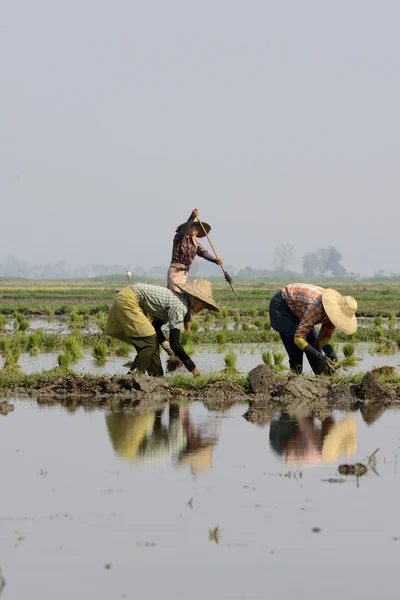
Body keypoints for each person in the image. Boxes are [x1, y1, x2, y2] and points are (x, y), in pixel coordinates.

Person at [105, 278, 219, 377]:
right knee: (149, 343)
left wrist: (166, 347)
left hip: (129, 297)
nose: (203, 308)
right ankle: (131, 378)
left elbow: (156, 327)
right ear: (195, 298)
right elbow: (176, 344)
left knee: (151, 340)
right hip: (129, 299)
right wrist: (193, 369)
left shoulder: (179, 302)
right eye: (203, 304)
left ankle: (157, 377)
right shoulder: (179, 306)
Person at [269, 283, 358, 375]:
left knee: (315, 348)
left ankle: (321, 379)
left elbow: (323, 340)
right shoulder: (317, 309)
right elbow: (298, 339)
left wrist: (331, 355)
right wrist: (319, 357)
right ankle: (295, 379)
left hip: (299, 308)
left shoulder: (334, 317)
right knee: (296, 353)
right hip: (282, 306)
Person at [168, 208, 222, 331]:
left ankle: (188, 331)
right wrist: (191, 217)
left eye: (198, 229)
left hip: (185, 273)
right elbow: (184, 230)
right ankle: (174, 328)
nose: (197, 230)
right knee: (175, 300)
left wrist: (215, 260)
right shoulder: (179, 238)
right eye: (195, 227)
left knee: (186, 301)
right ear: (190, 227)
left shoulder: (195, 242)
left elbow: (203, 253)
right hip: (175, 272)